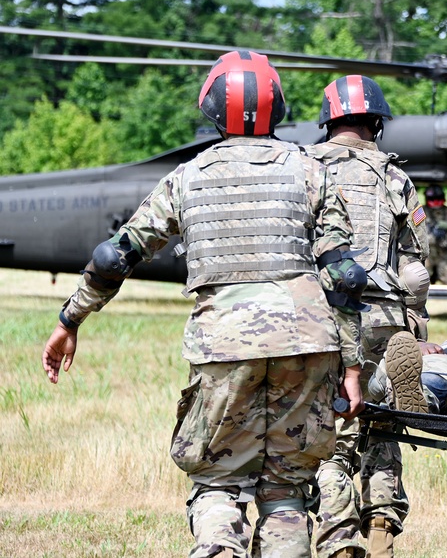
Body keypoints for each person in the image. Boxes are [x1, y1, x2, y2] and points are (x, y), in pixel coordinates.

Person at [41, 51, 366, 558]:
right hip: (308, 343)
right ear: (278, 106)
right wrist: (353, 366)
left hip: (224, 345)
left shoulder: (186, 177)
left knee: (219, 483)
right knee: (286, 491)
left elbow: (115, 255)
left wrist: (71, 318)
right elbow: (344, 275)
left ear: (211, 107)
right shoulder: (310, 170)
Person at [305, 75, 431, 558]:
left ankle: (338, 536)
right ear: (376, 122)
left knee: (331, 428)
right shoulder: (395, 178)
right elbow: (415, 271)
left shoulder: (305, 169)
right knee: (381, 420)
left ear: (328, 122)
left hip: (323, 317)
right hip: (384, 317)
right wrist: (416, 331)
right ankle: (380, 526)